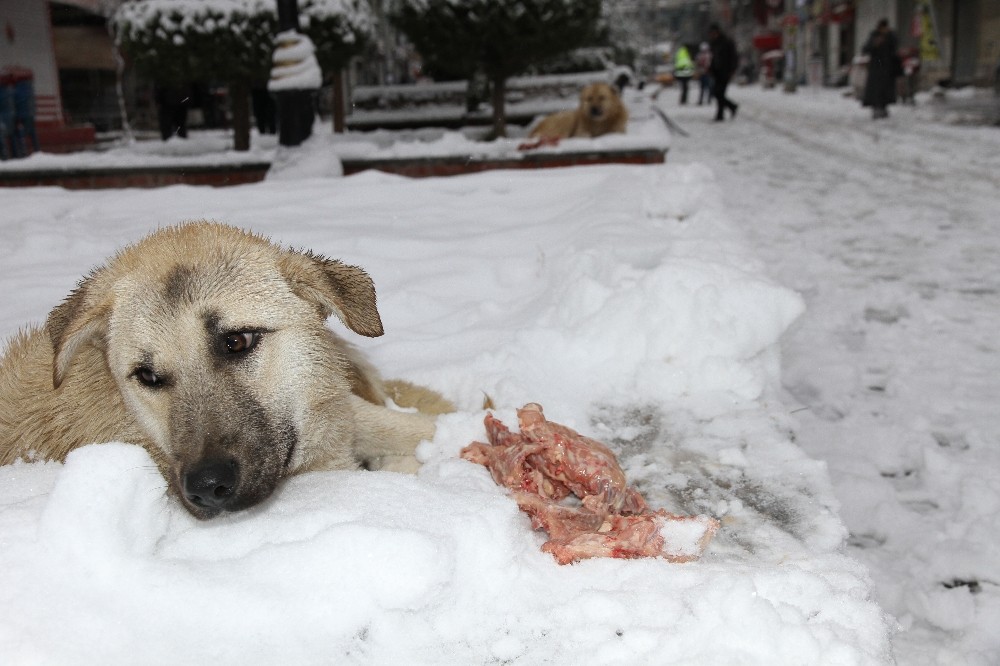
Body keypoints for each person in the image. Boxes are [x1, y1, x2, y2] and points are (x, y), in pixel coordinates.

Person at [861, 18, 900, 119]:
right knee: (876, 89)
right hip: (876, 66)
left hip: (887, 66)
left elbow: (895, 47)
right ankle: (876, 107)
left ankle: (884, 107)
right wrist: (875, 43)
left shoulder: (891, 36)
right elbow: (866, 49)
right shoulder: (874, 35)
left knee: (886, 89)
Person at [708, 23, 739, 121]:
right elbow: (713, 58)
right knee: (717, 93)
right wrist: (711, 68)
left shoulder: (726, 42)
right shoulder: (713, 43)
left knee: (719, 93)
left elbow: (733, 57)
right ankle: (731, 107)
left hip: (725, 71)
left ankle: (720, 114)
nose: (712, 35)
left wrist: (732, 69)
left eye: (713, 33)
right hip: (716, 72)